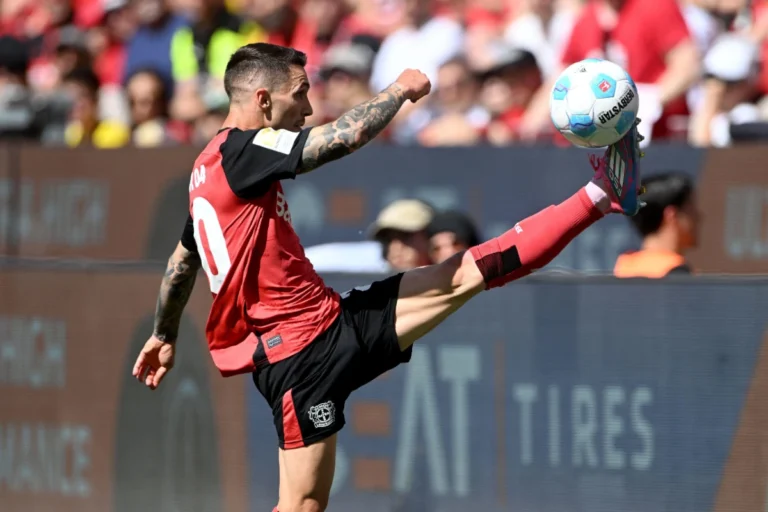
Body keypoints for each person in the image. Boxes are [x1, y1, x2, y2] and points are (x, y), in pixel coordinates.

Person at [131, 42, 644, 512]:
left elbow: (181, 262)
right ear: (262, 100)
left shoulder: (206, 170)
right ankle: (602, 196)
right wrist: (399, 91)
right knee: (303, 506)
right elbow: (341, 138)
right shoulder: (244, 150)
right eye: (300, 95)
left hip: (325, 326)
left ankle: (602, 194)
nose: (307, 109)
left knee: (464, 273)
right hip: (299, 356)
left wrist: (163, 332)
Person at [614, 172, 699, 277]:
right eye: (691, 210)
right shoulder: (678, 275)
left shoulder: (623, 268)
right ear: (672, 215)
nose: (698, 217)